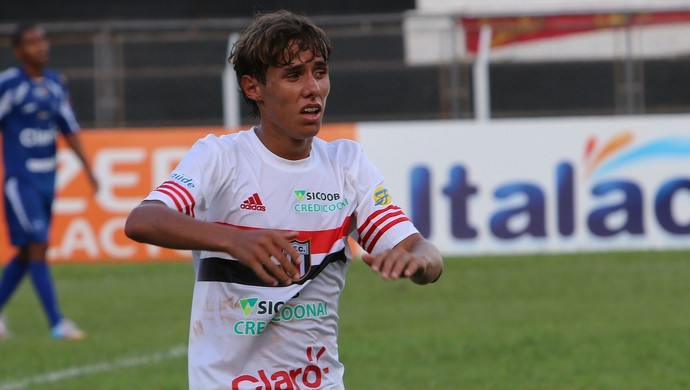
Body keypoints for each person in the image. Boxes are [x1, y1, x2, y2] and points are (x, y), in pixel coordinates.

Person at [125, 10, 443, 389]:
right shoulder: (221, 157)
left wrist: (415, 261)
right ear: (253, 87)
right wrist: (234, 239)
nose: (313, 88)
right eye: (294, 75)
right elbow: (142, 220)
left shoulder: (346, 164)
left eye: (320, 72)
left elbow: (424, 253)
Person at [0, 23, 98, 340]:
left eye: (42, 40)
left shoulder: (56, 84)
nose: (40, 47)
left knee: (30, 251)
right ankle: (57, 323)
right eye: (31, 42)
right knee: (38, 245)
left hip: (47, 179)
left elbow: (68, 128)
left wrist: (88, 168)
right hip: (20, 180)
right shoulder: (8, 85)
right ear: (18, 51)